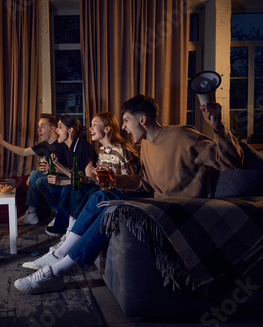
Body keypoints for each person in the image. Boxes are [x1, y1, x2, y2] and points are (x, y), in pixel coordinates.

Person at [14, 94, 244, 294]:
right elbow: (144, 181)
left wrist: (217, 127)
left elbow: (232, 160)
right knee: (100, 197)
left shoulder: (184, 136)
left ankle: (56, 270)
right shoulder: (147, 145)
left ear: (142, 120)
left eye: (126, 121)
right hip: (157, 202)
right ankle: (59, 258)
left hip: (180, 207)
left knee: (110, 207)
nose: (122, 127)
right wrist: (115, 180)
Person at [43, 112, 140, 238]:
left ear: (106, 128)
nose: (90, 128)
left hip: (119, 194)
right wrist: (85, 178)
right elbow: (97, 180)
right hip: (106, 189)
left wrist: (97, 180)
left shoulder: (121, 151)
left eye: (95, 125)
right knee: (75, 188)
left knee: (77, 189)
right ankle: (68, 231)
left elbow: (130, 184)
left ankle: (68, 232)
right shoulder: (102, 150)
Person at [0, 114, 68, 225]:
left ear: (52, 128)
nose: (39, 129)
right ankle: (31, 214)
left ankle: (57, 212)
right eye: (38, 126)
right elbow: (23, 152)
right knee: (34, 174)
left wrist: (53, 168)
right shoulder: (43, 145)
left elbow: (73, 170)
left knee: (37, 179)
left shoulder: (63, 143)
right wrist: (2, 142)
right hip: (50, 178)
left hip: (64, 179)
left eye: (43, 126)